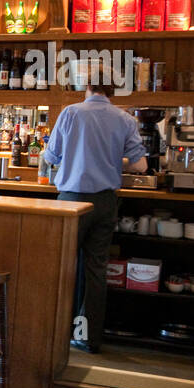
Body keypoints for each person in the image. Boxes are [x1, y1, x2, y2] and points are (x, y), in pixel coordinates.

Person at [43, 79, 147, 353]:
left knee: (61, 266)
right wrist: (112, 157)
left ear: (87, 88)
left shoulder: (71, 112)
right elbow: (141, 165)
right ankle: (88, 338)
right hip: (105, 202)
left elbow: (51, 157)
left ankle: (54, 332)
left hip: (72, 200)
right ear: (112, 91)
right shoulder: (125, 119)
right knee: (96, 269)